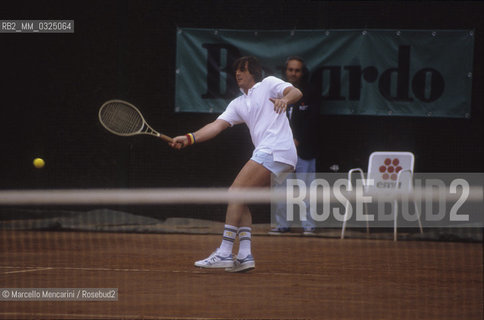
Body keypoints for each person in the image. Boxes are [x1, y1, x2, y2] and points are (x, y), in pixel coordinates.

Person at [169, 56, 302, 272]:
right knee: (241, 199)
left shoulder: (268, 84)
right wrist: (189, 137)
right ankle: (245, 255)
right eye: (236, 70)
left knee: (234, 193)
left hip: (274, 150)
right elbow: (216, 126)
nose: (237, 73)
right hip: (281, 157)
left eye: (242, 69)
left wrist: (284, 100)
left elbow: (295, 92)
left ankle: (224, 251)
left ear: (253, 72)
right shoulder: (238, 103)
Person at [269, 56, 320, 236]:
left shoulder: (311, 92)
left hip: (304, 150)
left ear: (302, 72)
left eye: (297, 70)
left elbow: (314, 121)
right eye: (290, 70)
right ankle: (282, 224)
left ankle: (309, 225)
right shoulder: (278, 91)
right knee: (281, 188)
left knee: (306, 189)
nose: (293, 73)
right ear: (286, 71)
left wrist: (298, 140)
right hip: (281, 150)